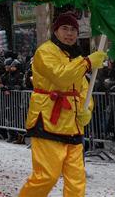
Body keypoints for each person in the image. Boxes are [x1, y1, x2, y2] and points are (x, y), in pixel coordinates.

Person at [18, 12, 104, 197]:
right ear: (55, 30)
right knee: (46, 177)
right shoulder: (45, 51)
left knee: (76, 181)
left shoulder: (75, 57)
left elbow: (83, 89)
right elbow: (61, 76)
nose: (70, 33)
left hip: (73, 125)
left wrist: (87, 109)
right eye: (65, 28)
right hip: (48, 121)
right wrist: (87, 62)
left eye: (74, 29)